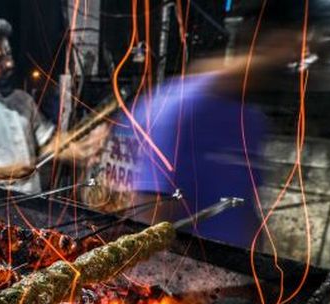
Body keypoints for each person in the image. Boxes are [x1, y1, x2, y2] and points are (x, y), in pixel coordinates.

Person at [116, 8, 308, 247]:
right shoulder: (178, 109)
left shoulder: (252, 119)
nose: (294, 63)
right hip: (181, 273)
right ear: (256, 45)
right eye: (287, 51)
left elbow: (246, 207)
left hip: (231, 268)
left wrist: (255, 266)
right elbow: (148, 217)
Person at [0, 16, 107, 194]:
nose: (9, 63)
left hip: (31, 205)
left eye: (8, 54)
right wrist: (3, 173)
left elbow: (47, 142)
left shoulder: (23, 100)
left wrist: (77, 150)